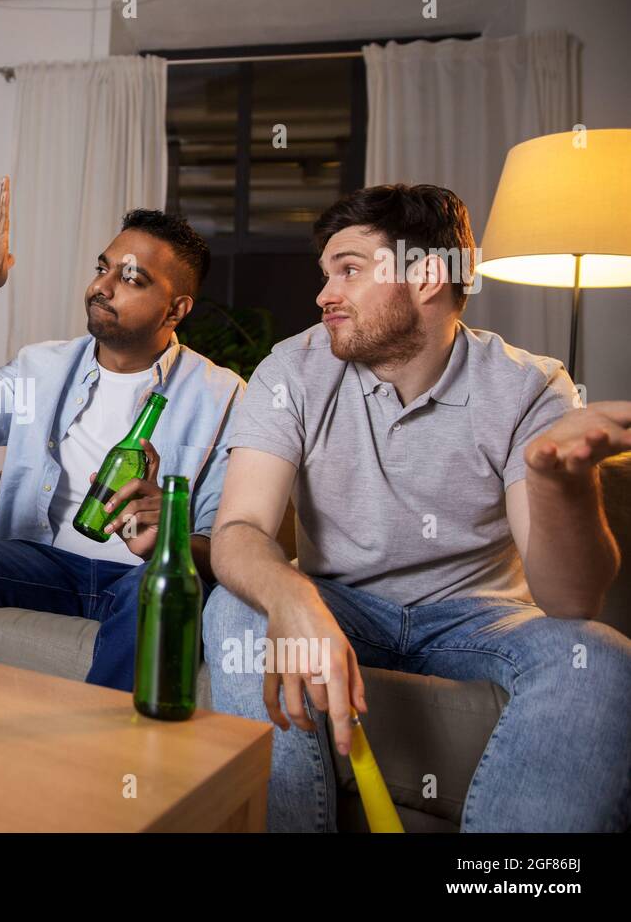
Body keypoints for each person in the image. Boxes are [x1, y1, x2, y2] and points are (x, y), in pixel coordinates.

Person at [205, 183, 631, 831]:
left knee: (599, 652)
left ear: (429, 276)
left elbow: (571, 603)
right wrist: (292, 596)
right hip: (342, 605)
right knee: (234, 604)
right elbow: (239, 529)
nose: (324, 295)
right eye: (325, 274)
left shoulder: (529, 385)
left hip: (481, 622)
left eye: (348, 269)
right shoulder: (292, 371)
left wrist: (556, 480)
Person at [0, 177, 243, 690]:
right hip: (40, 563)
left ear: (176, 309)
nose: (102, 286)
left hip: (136, 578)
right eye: (102, 268)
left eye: (131, 279)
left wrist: (172, 528)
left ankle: (97, 753)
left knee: (156, 592)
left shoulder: (223, 397)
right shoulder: (42, 369)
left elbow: (227, 543)